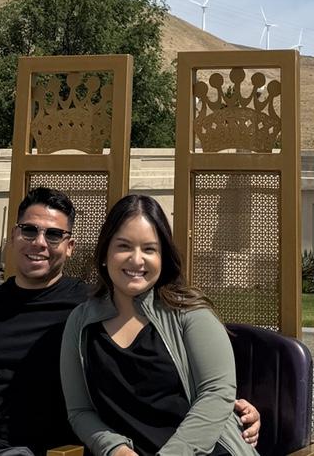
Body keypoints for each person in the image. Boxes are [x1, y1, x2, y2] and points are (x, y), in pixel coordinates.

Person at [0, 187, 259, 456]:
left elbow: (199, 386)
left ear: (70, 247)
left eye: (53, 235)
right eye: (30, 230)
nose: (39, 242)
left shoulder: (87, 307)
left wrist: (234, 406)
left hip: (29, 450)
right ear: (13, 235)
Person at [60, 193, 244, 456]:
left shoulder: (190, 313)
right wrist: (115, 449)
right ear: (105, 253)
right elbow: (80, 411)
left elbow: (217, 393)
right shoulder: (81, 322)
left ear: (163, 257)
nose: (137, 260)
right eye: (124, 246)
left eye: (149, 249)